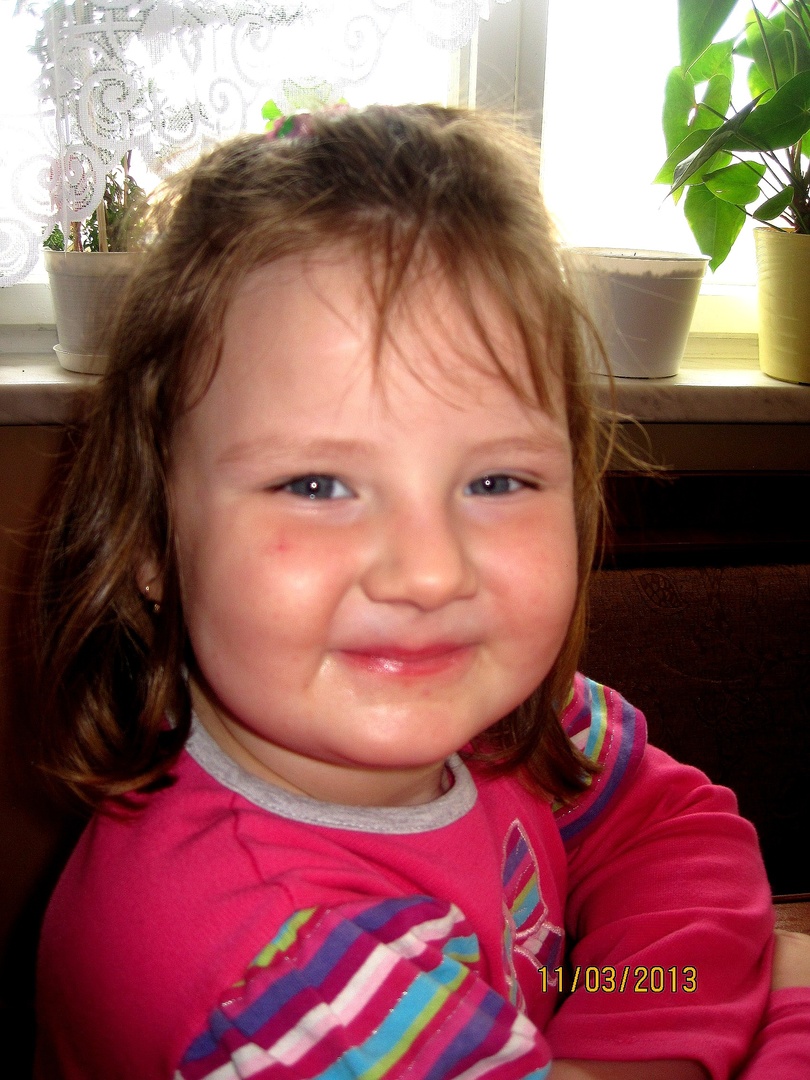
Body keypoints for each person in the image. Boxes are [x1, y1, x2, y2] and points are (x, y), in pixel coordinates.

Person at [30, 105, 809, 1079]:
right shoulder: (281, 987)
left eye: (496, 481)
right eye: (316, 485)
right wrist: (784, 999)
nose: (432, 573)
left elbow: (670, 825)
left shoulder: (491, 713)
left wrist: (636, 1016)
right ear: (151, 535)